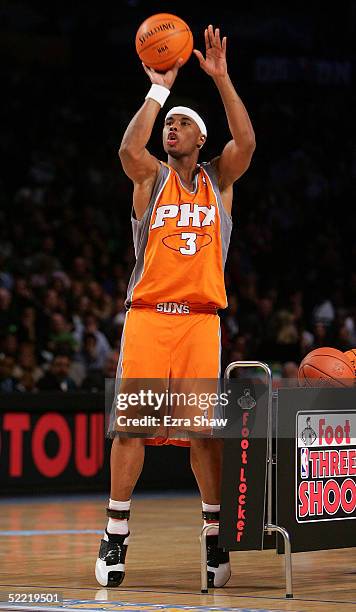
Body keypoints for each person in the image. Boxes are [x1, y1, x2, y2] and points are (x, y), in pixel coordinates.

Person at [95, 25, 255, 588]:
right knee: (132, 429)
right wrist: (159, 91)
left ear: (200, 137)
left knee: (204, 437)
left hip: (200, 324)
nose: (172, 128)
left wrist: (222, 78)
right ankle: (115, 538)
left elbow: (248, 143)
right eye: (169, 122)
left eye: (182, 122)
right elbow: (126, 150)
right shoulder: (150, 178)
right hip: (148, 318)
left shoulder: (219, 182)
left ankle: (214, 543)